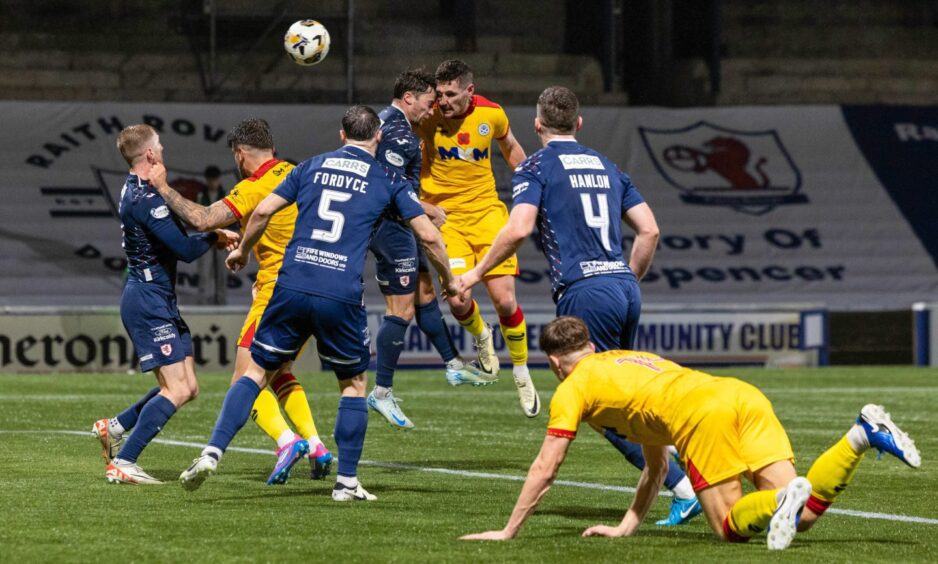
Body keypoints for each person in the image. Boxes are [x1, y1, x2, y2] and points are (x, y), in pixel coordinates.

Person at [178, 105, 460, 501]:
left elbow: (261, 211)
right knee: (354, 385)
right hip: (339, 293)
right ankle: (346, 483)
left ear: (342, 136)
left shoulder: (309, 166)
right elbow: (429, 237)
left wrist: (243, 249)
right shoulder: (386, 178)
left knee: (255, 372)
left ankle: (212, 451)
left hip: (291, 286)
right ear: (377, 138)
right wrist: (448, 277)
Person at [456, 85, 700, 526]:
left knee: (594, 403)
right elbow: (650, 231)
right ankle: (692, 468)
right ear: (579, 124)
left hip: (587, 292)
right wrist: (625, 278)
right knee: (630, 397)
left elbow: (517, 229)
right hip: (624, 289)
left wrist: (474, 275)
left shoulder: (536, 166)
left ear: (536, 125)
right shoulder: (607, 165)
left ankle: (683, 486)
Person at [462, 316, 921, 550]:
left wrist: (508, 531)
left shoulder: (573, 388)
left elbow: (547, 466)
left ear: (556, 364)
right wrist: (628, 525)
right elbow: (657, 464)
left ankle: (782, 498)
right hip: (741, 395)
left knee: (730, 528)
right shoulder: (628, 360)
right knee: (801, 519)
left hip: (702, 415)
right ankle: (861, 435)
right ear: (593, 347)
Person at [151, 119, 333, 485]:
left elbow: (203, 219)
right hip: (320, 285)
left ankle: (287, 442)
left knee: (244, 379)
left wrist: (162, 187)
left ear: (240, 153)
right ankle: (315, 445)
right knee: (279, 372)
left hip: (278, 293)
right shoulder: (300, 172)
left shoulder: (254, 187)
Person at [91, 124, 239, 484]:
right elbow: (186, 250)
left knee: (187, 387)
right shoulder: (147, 199)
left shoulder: (138, 188)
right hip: (147, 301)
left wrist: (209, 233)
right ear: (151, 155)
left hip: (158, 298)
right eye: (161, 145)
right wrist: (215, 236)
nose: (164, 149)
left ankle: (116, 426)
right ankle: (124, 462)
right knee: (176, 389)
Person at [367, 68, 492, 430]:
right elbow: (388, 188)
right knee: (402, 310)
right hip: (388, 225)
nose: (432, 107)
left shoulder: (386, 122)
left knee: (425, 294)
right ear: (409, 98)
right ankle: (382, 391)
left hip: (400, 222)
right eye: (427, 101)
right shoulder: (398, 134)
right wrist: (427, 208)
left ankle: (453, 364)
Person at [416, 59, 539, 417]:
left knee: (504, 301)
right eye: (439, 93)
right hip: (446, 221)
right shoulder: (426, 118)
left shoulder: (492, 115)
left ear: (470, 91)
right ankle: (483, 338)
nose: (444, 100)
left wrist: (535, 182)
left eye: (451, 94)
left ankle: (521, 371)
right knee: (457, 300)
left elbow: (511, 147)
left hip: (487, 214)